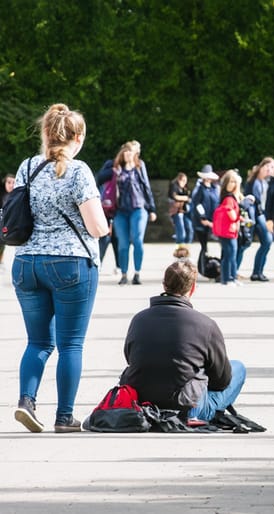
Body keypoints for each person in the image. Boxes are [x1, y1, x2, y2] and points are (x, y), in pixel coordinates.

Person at [12, 103, 109, 433]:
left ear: (45, 133)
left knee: (37, 342)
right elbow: (96, 227)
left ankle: (26, 401)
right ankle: (64, 417)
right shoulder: (79, 170)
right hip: (70, 265)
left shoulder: (27, 167)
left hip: (26, 263)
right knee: (71, 344)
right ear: (78, 136)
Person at [118, 259, 246, 422]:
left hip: (142, 401)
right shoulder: (205, 324)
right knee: (238, 368)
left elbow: (130, 358)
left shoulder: (139, 319)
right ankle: (203, 412)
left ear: (164, 285)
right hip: (186, 406)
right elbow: (222, 380)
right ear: (192, 288)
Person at [98, 140, 157, 285]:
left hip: (138, 208)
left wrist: (152, 209)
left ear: (135, 154)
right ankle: (124, 274)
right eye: (125, 151)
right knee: (123, 244)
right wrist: (113, 169)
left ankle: (137, 273)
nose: (127, 154)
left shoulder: (139, 166)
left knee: (137, 240)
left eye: (130, 151)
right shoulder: (115, 167)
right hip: (120, 211)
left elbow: (146, 187)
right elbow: (99, 178)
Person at [245, 157, 274, 281]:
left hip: (262, 215)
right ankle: (256, 272)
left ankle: (258, 271)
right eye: (267, 167)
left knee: (267, 243)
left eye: (272, 167)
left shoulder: (266, 182)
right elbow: (253, 200)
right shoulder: (253, 181)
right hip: (257, 215)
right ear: (261, 166)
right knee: (265, 242)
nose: (269, 170)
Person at [215, 169, 243, 286]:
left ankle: (230, 277)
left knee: (229, 255)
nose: (233, 184)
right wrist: (239, 218)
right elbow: (232, 216)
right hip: (228, 232)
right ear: (226, 183)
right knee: (230, 255)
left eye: (235, 182)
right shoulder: (229, 199)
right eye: (231, 181)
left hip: (227, 232)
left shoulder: (229, 197)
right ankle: (228, 278)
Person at [190, 165, 220, 273]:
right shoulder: (199, 189)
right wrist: (203, 218)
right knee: (204, 246)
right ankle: (203, 269)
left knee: (213, 246)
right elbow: (197, 204)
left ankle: (211, 268)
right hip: (201, 222)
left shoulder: (214, 188)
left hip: (213, 221)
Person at [168, 172, 193, 246]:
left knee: (189, 229)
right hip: (177, 211)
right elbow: (174, 197)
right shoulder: (174, 186)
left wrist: (186, 198)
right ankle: (180, 250)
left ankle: (187, 248)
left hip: (185, 210)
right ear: (179, 180)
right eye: (183, 180)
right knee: (181, 232)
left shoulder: (184, 188)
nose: (185, 183)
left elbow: (189, 197)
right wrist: (185, 198)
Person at [0, 173, 15, 265]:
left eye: (13, 183)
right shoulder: (2, 196)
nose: (11, 185)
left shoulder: (19, 196)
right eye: (9, 182)